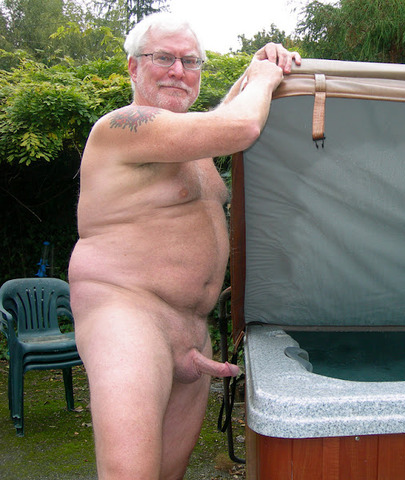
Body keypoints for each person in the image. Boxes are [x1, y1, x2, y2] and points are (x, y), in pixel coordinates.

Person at [68, 12, 301, 479]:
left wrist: (255, 68)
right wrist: (263, 78)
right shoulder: (122, 127)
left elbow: (221, 118)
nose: (178, 71)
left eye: (190, 62)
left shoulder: (194, 149)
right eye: (164, 58)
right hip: (128, 319)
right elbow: (240, 127)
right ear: (133, 67)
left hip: (192, 331)